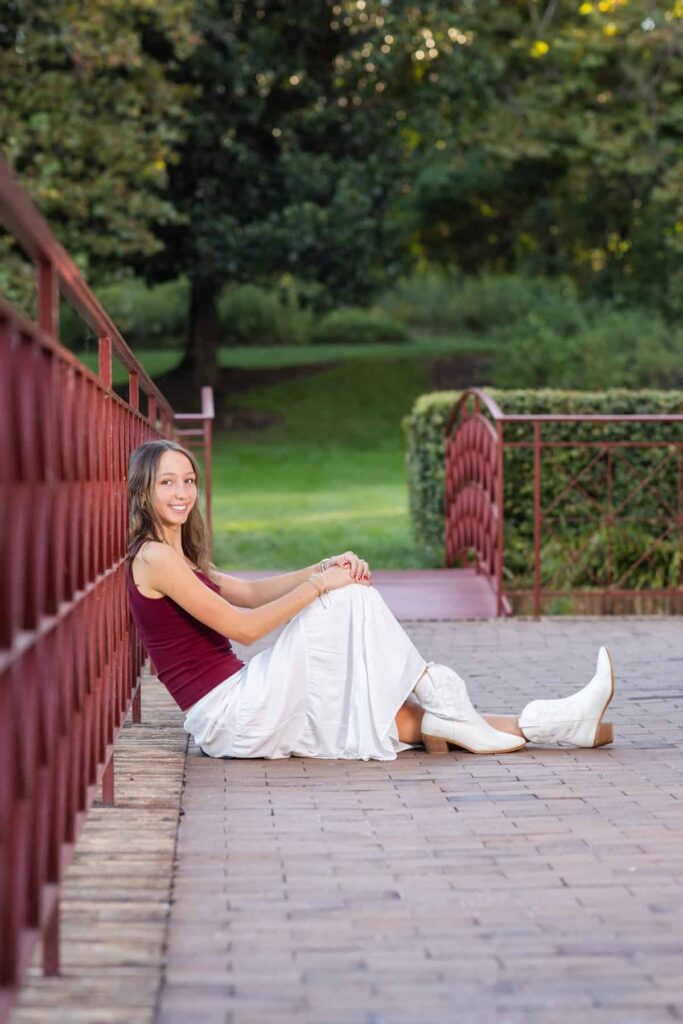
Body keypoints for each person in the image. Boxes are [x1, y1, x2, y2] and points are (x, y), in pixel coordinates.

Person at [126, 439, 615, 762]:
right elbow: (245, 627)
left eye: (188, 480)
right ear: (143, 489)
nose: (182, 492)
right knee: (348, 601)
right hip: (230, 713)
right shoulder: (154, 558)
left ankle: (562, 723)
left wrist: (324, 566)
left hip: (246, 704)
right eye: (167, 481)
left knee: (405, 721)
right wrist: (324, 586)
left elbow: (251, 591)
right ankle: (437, 686)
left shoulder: (178, 556)